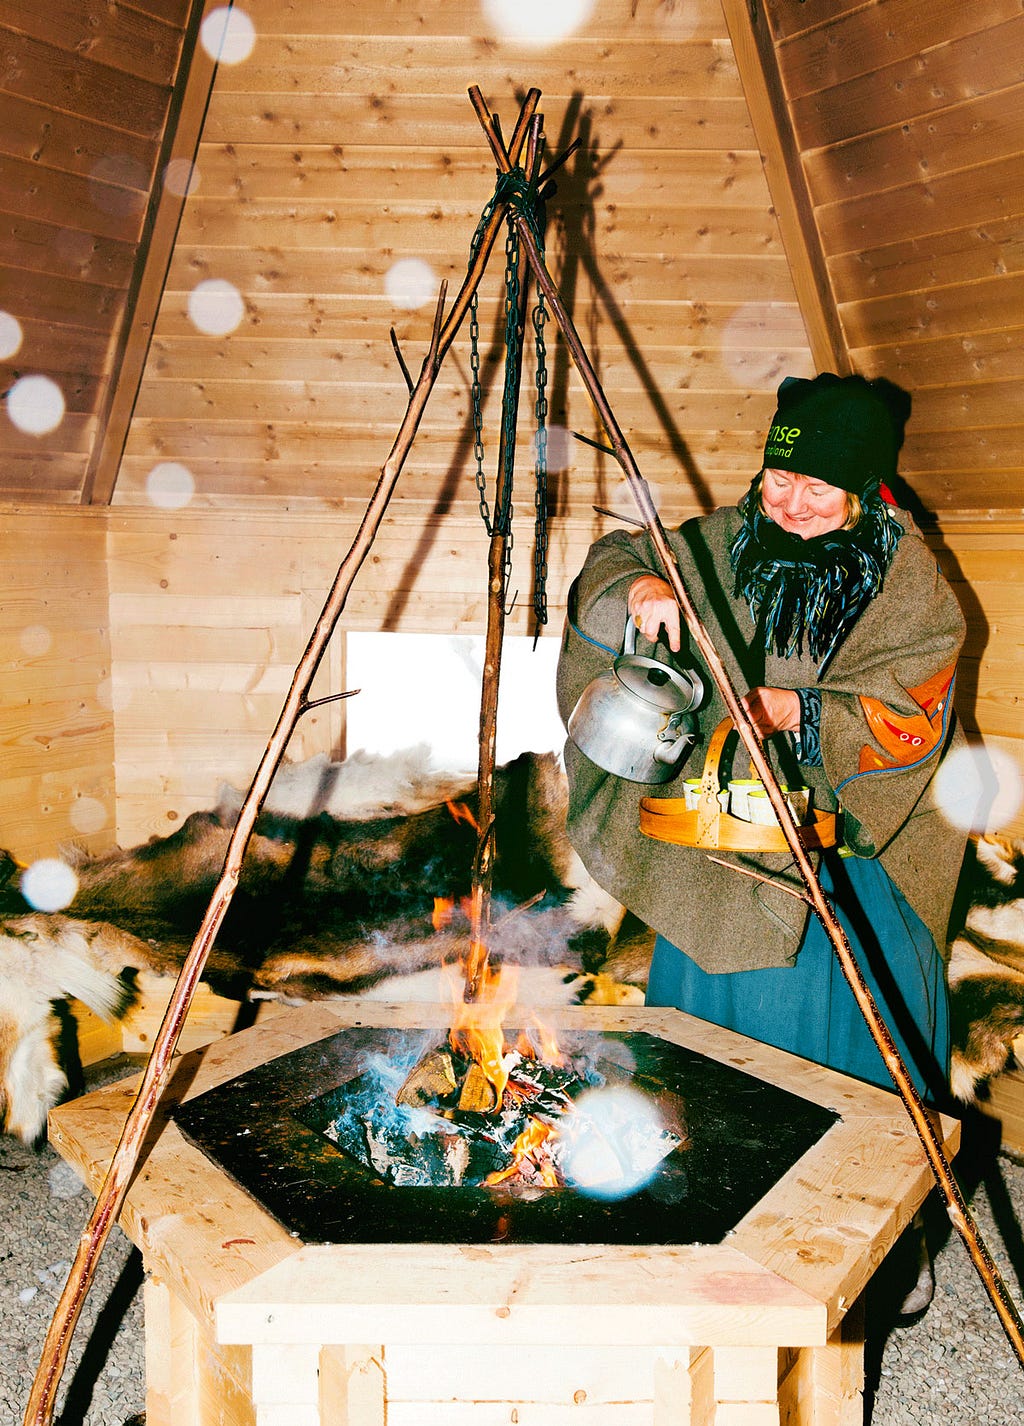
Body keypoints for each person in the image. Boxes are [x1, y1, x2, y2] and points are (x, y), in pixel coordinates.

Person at [556, 372, 968, 1103]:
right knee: (709, 988)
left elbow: (912, 710)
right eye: (780, 480)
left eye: (818, 489)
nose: (791, 506)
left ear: (862, 488)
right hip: (728, 827)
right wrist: (641, 587)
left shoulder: (909, 580)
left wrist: (804, 710)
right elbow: (615, 557)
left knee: (836, 1021)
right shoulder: (723, 540)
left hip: (857, 832)